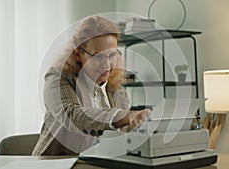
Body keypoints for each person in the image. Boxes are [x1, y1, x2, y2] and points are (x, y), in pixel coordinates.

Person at [32, 15, 151, 155]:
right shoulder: (58, 79)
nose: (107, 65)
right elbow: (73, 115)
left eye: (112, 55)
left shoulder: (117, 90)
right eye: (98, 56)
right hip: (56, 163)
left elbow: (121, 134)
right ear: (78, 55)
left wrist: (140, 125)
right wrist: (120, 117)